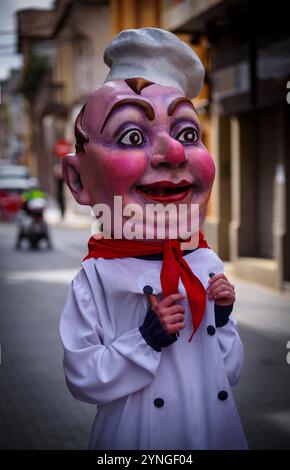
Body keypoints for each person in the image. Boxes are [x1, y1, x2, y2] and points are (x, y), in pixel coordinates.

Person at [60, 28, 248, 450]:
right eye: (131, 136)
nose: (176, 154)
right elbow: (82, 378)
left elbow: (230, 373)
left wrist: (220, 317)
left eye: (186, 134)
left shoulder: (205, 261)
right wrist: (146, 338)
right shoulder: (96, 276)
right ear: (77, 178)